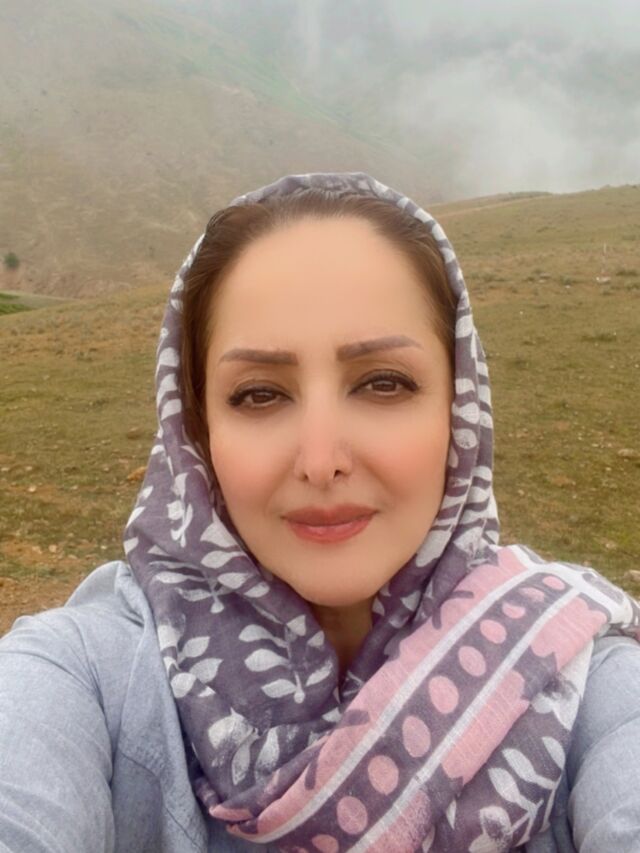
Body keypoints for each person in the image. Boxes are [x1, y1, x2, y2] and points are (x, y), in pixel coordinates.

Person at [1, 172, 639, 853]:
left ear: (459, 410)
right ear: (197, 432)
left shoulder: (580, 680)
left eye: (383, 383)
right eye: (259, 394)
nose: (320, 460)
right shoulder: (79, 676)